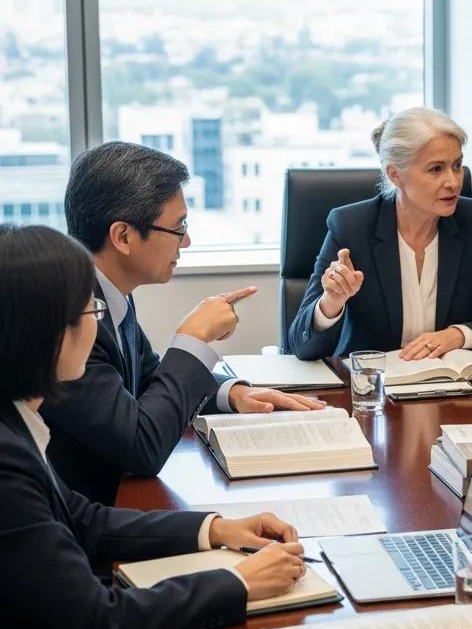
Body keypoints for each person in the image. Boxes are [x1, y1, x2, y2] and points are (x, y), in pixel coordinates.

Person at [0, 224, 308, 629]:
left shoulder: (15, 421)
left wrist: (211, 528)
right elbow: (97, 619)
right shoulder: (4, 461)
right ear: (44, 331)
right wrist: (235, 583)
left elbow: (82, 518)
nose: (95, 323)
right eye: (87, 308)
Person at [42, 142, 324, 505]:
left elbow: (145, 381)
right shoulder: (73, 318)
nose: (187, 241)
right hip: (82, 524)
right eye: (178, 228)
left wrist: (231, 394)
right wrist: (193, 339)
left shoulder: (110, 291)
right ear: (123, 236)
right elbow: (142, 448)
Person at [288, 106, 472, 360]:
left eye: (457, 165)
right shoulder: (351, 226)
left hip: (453, 393)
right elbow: (301, 346)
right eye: (436, 169)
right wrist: (331, 302)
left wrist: (457, 335)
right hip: (371, 391)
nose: (453, 181)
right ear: (394, 174)